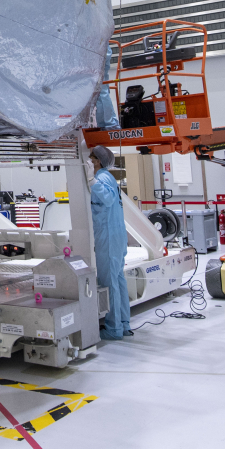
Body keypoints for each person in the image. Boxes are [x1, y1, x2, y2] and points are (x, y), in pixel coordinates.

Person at [90, 145, 130, 340]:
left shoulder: (102, 178)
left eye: (91, 157)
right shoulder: (108, 177)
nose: (88, 160)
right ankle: (123, 322)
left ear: (97, 160)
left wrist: (91, 181)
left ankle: (113, 328)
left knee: (109, 281)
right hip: (116, 234)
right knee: (118, 279)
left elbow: (106, 199)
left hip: (108, 236)